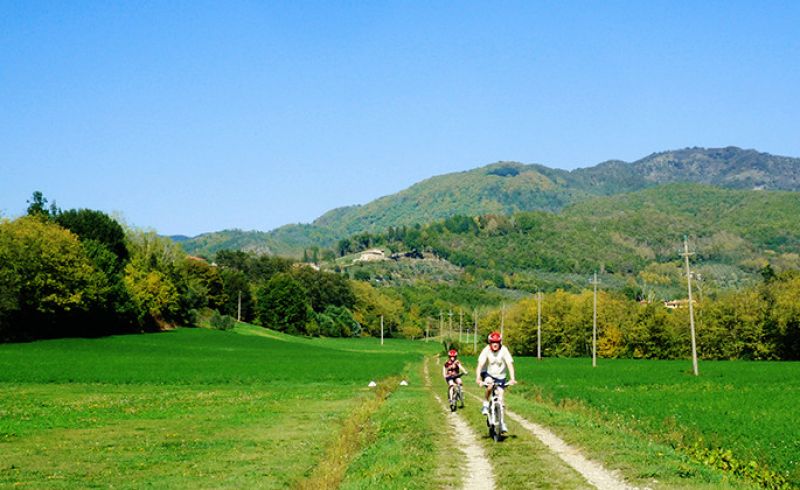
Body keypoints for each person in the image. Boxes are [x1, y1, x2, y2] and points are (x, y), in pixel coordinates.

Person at [475, 331, 516, 432]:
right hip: (488, 374)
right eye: (493, 342)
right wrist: (478, 378)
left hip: (501, 376)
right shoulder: (486, 350)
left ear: (500, 342)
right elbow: (480, 365)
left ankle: (501, 423)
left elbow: (510, 364)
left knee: (501, 400)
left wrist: (512, 378)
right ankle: (485, 404)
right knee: (490, 385)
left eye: (497, 342)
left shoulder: (504, 350)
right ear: (490, 342)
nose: (495, 344)